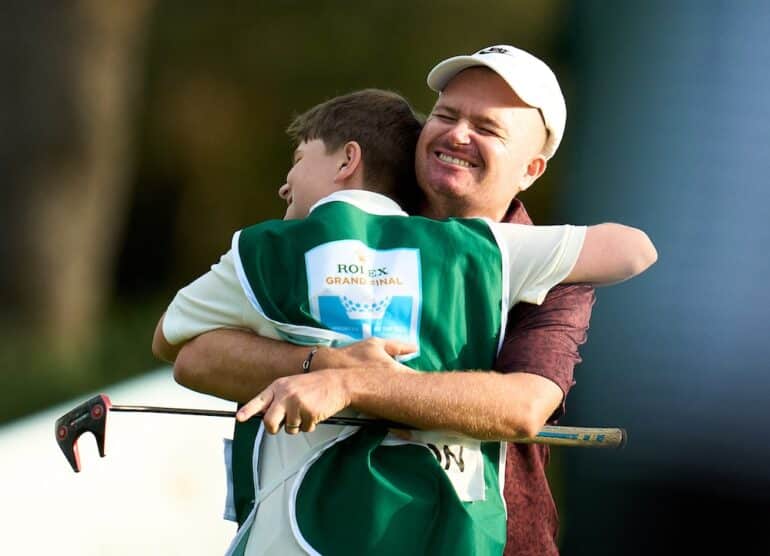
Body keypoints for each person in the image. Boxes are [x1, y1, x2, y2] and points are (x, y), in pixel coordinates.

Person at [155, 46, 650, 554]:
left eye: (488, 128)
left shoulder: (554, 269)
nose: (458, 134)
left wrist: (353, 384)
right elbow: (194, 354)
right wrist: (320, 363)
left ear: (531, 169)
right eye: (446, 114)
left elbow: (524, 407)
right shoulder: (335, 225)